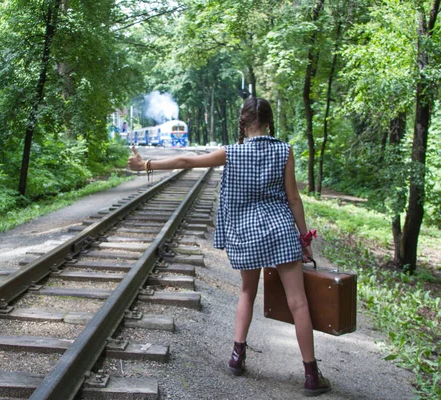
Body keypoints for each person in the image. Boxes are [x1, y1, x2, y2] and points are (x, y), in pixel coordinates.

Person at [128, 97, 332, 397]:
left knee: (247, 291)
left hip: (246, 234)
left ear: (243, 121)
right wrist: (304, 239)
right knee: (298, 302)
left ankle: (237, 357)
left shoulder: (232, 153)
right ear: (269, 122)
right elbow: (294, 199)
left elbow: (186, 162)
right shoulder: (283, 150)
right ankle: (311, 374)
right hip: (280, 230)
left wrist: (146, 164)